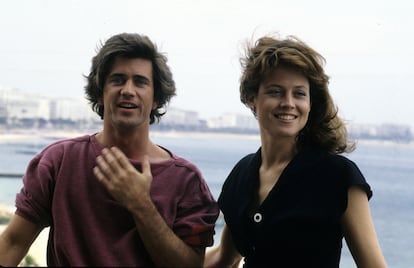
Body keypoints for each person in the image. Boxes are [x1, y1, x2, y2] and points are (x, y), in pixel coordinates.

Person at [0, 32, 219, 267]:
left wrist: (140, 205)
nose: (128, 89)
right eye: (117, 79)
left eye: (140, 81)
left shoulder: (186, 180)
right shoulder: (59, 161)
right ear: (101, 93)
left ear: (156, 98)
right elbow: (13, 243)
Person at [204, 34, 387, 268]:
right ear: (252, 98)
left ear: (310, 103)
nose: (288, 103)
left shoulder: (338, 176)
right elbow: (224, 257)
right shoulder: (241, 174)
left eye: (299, 93)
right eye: (275, 91)